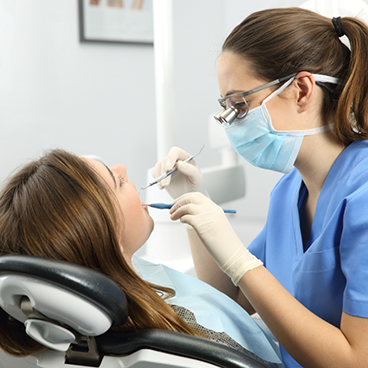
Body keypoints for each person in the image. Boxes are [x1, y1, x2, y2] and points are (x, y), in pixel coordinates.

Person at [151, 7, 368, 368]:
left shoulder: (363, 193)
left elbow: (357, 360)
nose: (230, 123)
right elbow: (231, 295)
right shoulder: (287, 193)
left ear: (301, 90)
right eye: (226, 108)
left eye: (240, 105)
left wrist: (240, 260)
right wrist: (194, 202)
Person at [0, 149, 282, 367]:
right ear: (109, 240)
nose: (123, 167)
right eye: (119, 182)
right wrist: (240, 262)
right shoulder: (190, 339)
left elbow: (220, 301)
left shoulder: (114, 290)